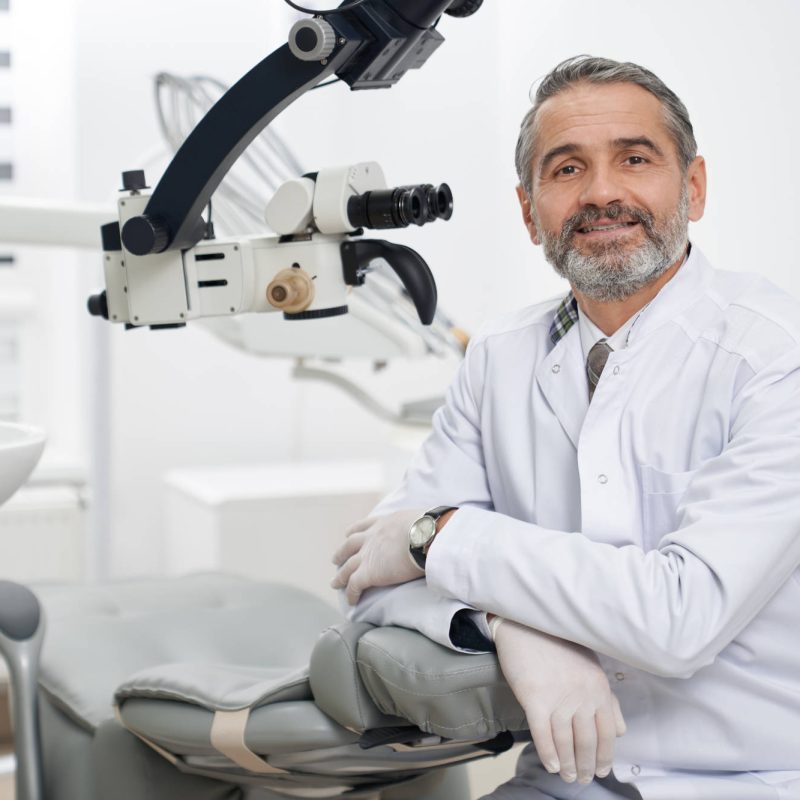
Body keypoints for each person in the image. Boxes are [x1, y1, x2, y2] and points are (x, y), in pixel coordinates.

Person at [331, 55, 800, 799]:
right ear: (529, 212)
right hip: (565, 782)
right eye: (567, 169)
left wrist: (442, 537)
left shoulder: (775, 355)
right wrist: (507, 625)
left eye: (635, 159)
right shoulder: (499, 357)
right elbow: (369, 581)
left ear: (695, 187)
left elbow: (678, 618)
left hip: (754, 781)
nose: (603, 192)